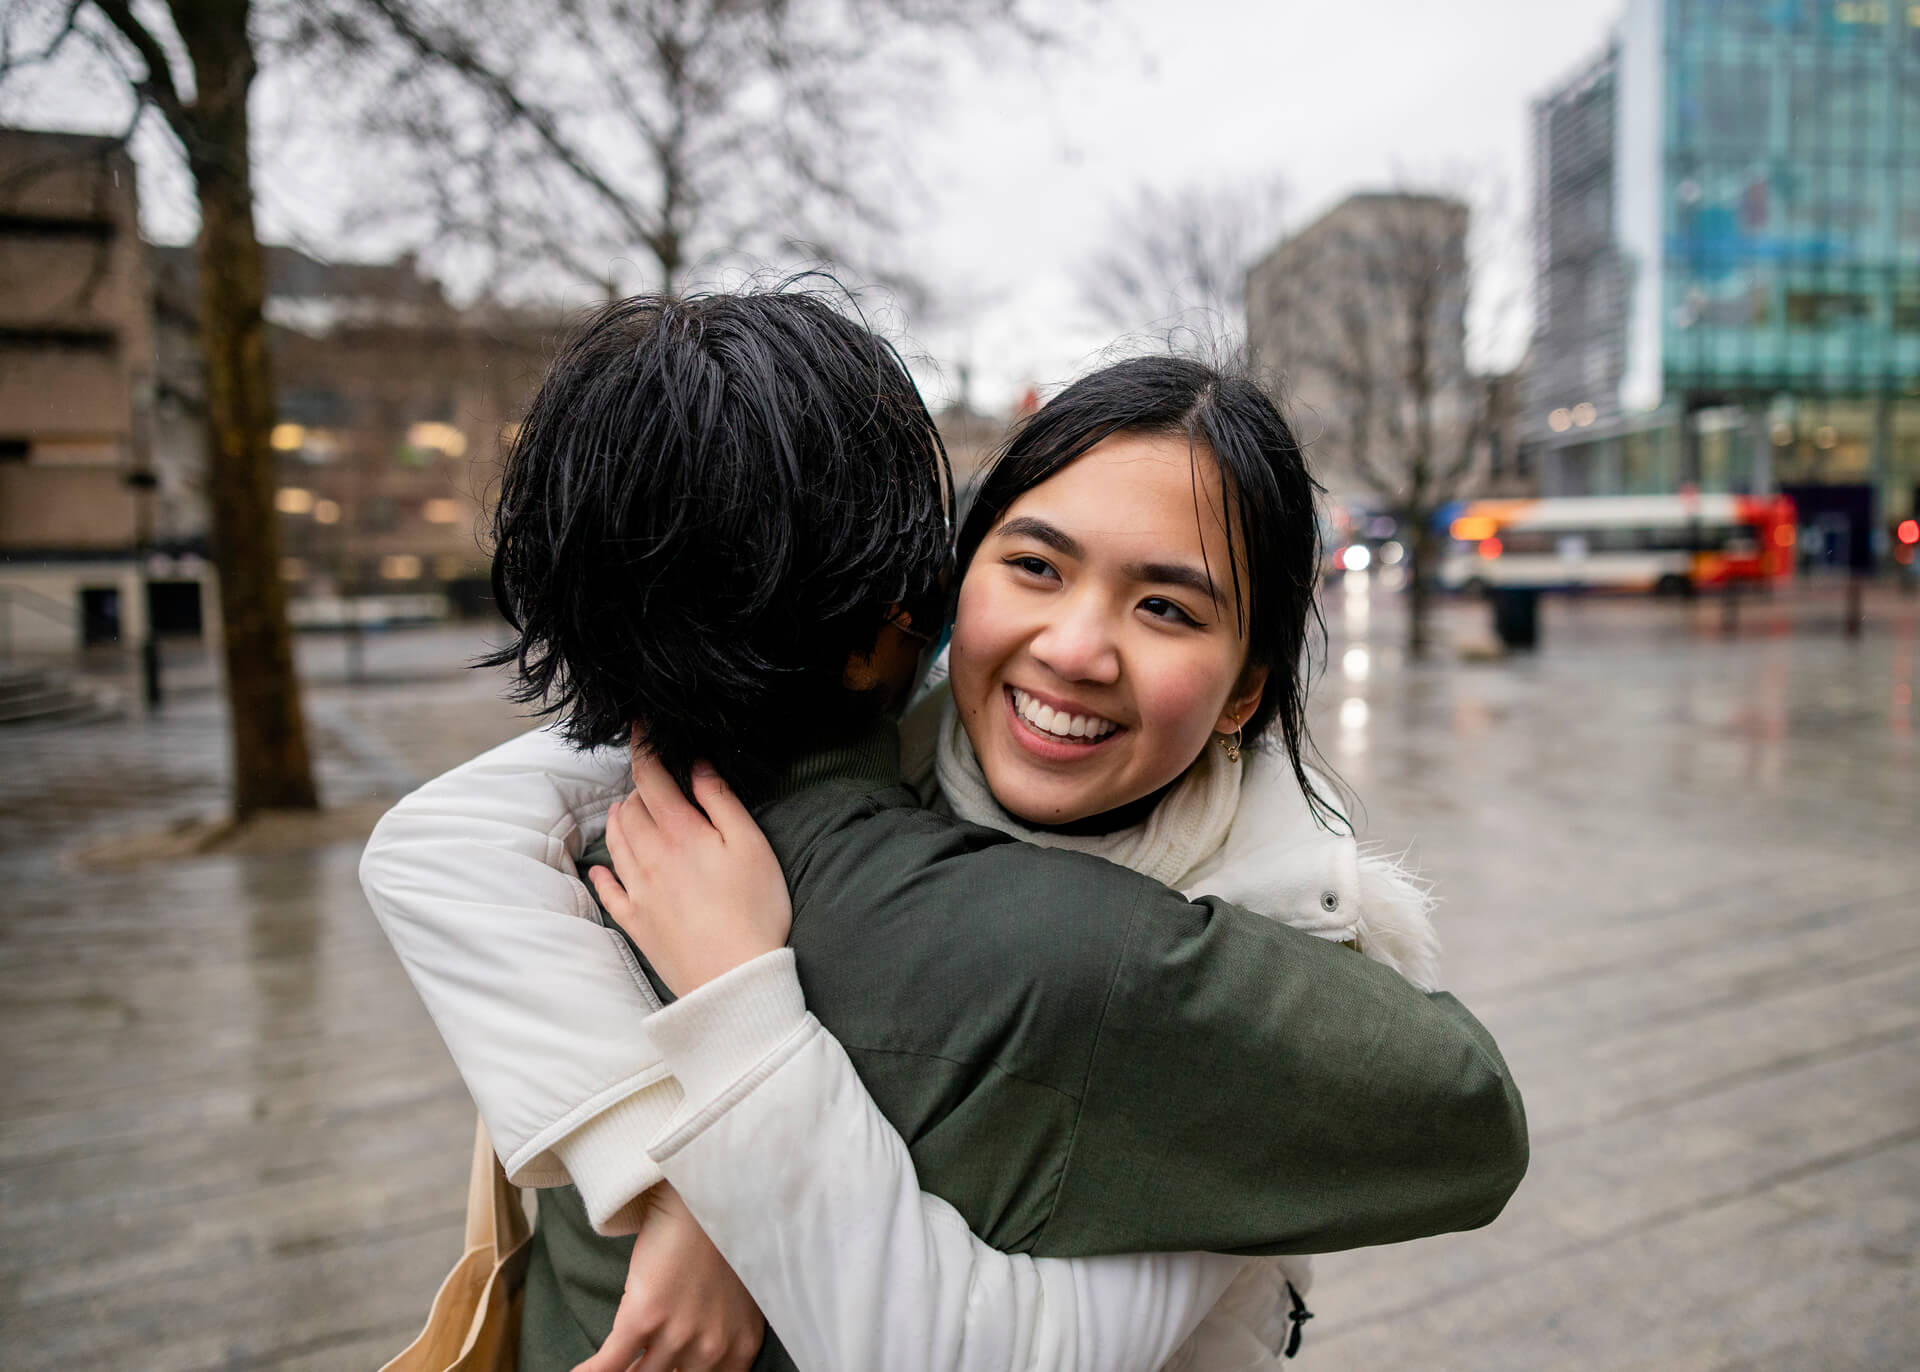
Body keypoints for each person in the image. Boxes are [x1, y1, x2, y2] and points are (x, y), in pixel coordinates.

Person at [361, 289, 1528, 1372]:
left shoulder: (622, 843)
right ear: (925, 599)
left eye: (1165, 604)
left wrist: (733, 1061)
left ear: (1245, 691)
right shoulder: (1070, 949)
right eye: (1033, 565)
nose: (1076, 646)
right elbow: (434, 840)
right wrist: (684, 1178)